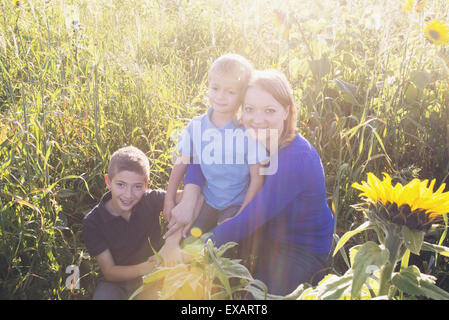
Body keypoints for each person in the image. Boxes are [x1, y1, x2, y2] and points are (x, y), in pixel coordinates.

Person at [175, 69, 335, 296]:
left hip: (299, 247)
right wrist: (190, 195)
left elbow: (249, 220)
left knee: (255, 297)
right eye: (249, 109)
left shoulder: (296, 159)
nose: (257, 120)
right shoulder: (246, 134)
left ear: (286, 111)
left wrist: (189, 251)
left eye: (269, 110)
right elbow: (203, 159)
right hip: (266, 231)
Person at [162, 54, 268, 250]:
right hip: (208, 200)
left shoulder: (248, 132)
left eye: (230, 92)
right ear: (208, 86)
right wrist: (169, 199)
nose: (220, 96)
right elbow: (181, 164)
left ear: (243, 95)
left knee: (223, 249)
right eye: (215, 88)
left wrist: (241, 215)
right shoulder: (196, 126)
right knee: (188, 242)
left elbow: (257, 178)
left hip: (235, 203)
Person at [82, 146, 166, 300]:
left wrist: (174, 235)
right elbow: (110, 271)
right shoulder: (93, 222)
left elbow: (185, 199)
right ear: (108, 181)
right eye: (121, 184)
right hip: (116, 282)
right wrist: (148, 267)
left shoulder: (151, 199)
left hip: (153, 278)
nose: (128, 195)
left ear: (146, 185)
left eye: (137, 187)